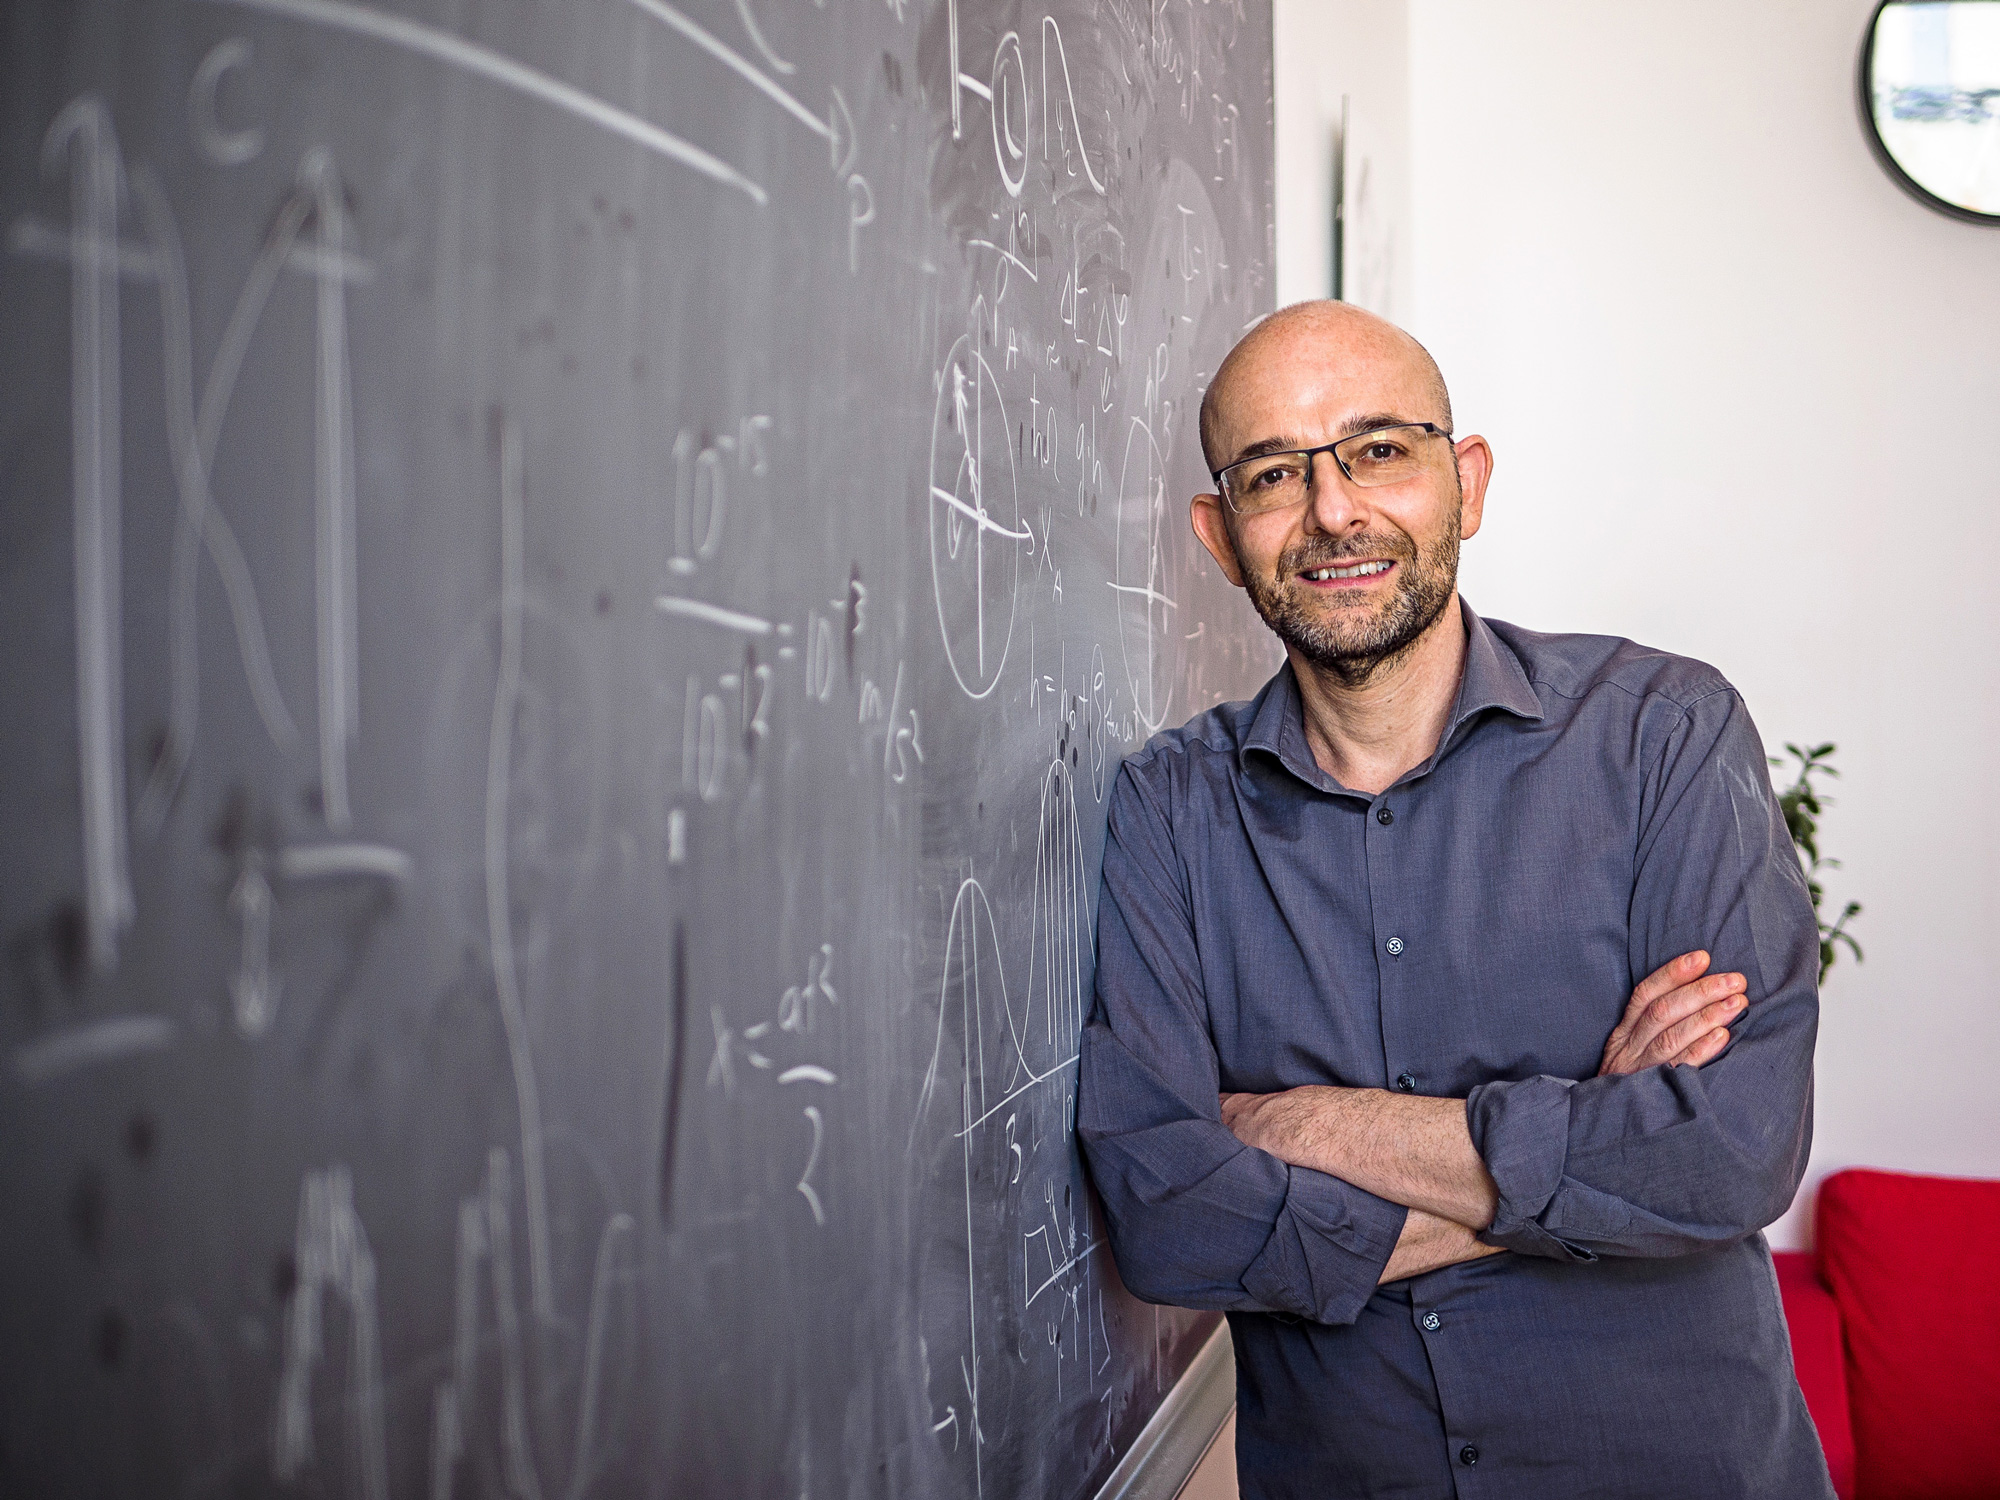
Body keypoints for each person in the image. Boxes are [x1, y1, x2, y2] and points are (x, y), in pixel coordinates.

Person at [1076, 301, 1832, 1497]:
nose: (1333, 511)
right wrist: (1588, 1138)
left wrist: (1317, 1128)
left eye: (1378, 449)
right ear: (1221, 539)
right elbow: (1171, 1220)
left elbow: (1727, 1153)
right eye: (1275, 473)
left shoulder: (1661, 736)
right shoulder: (1168, 813)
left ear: (1463, 484)